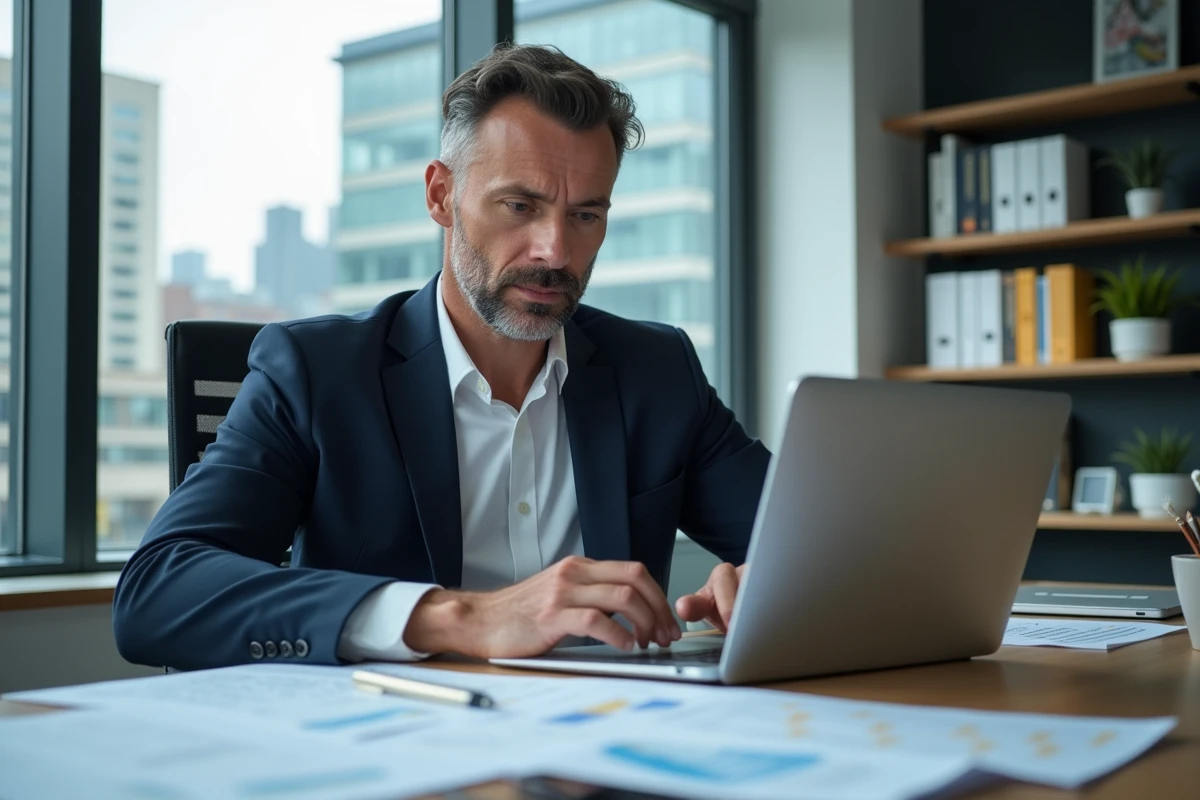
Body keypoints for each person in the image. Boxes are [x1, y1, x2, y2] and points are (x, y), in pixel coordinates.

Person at [113, 43, 771, 672]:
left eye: (585, 216)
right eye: (520, 205)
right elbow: (157, 592)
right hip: (396, 734)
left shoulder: (657, 371)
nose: (555, 250)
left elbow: (814, 545)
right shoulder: (315, 372)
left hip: (613, 729)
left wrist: (767, 585)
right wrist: (459, 616)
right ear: (440, 196)